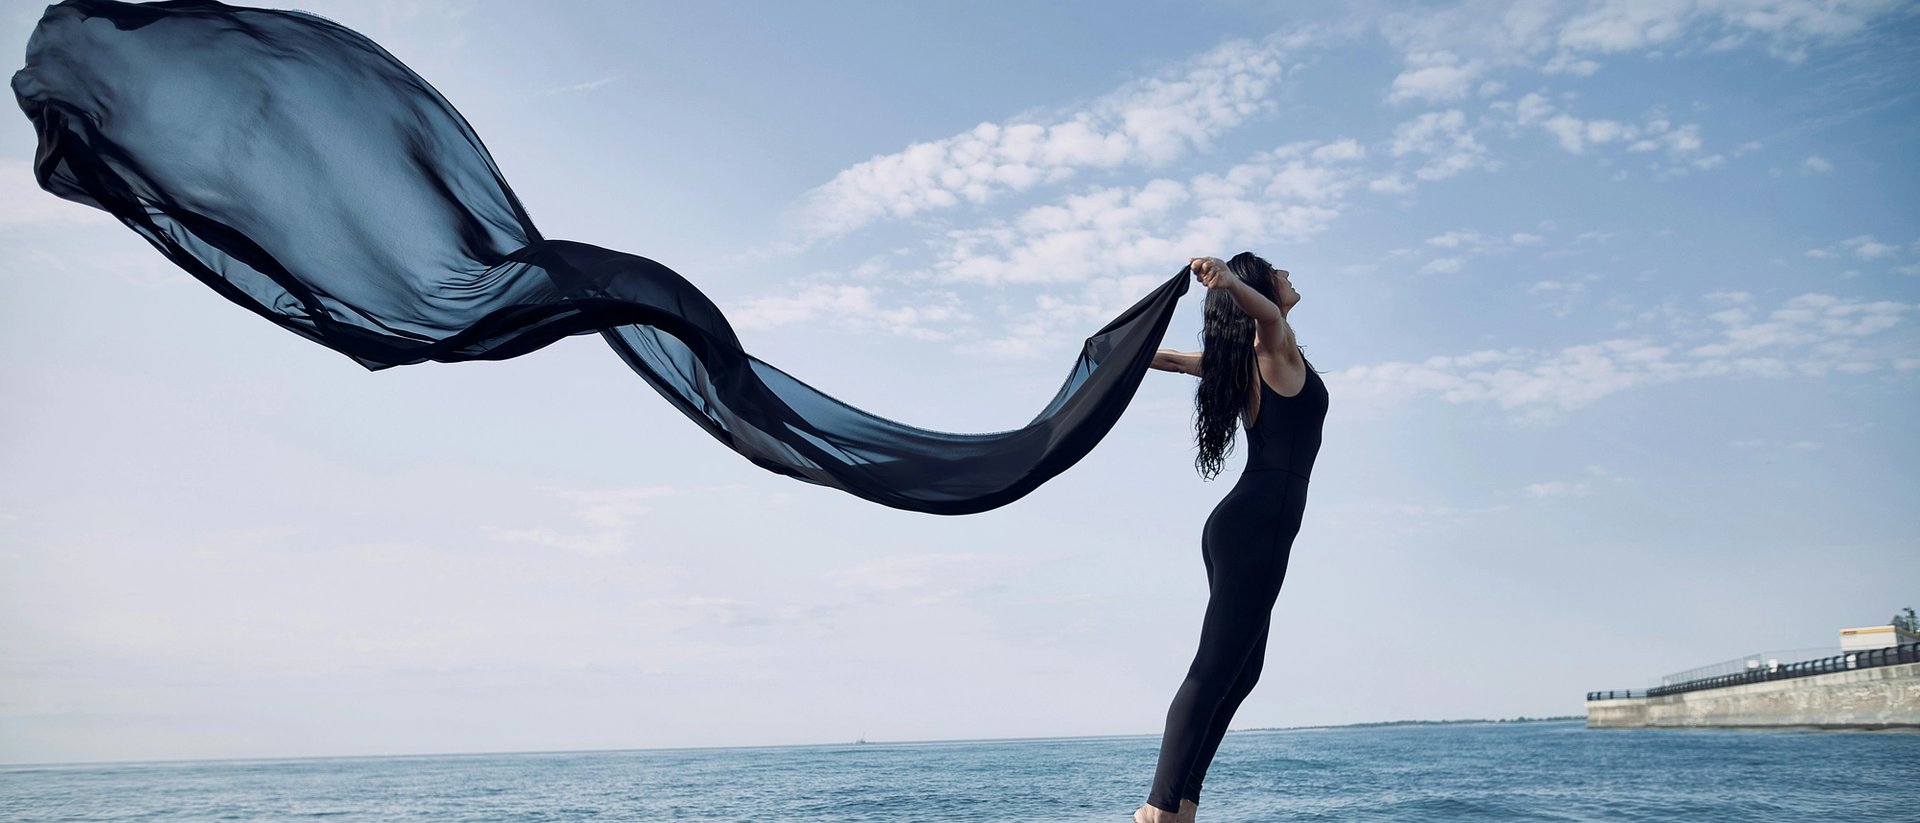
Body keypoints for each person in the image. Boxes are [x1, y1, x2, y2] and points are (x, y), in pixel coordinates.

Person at [1134, 253, 1328, 823]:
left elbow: (1171, 361)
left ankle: (1184, 799)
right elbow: (1266, 316)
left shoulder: (1247, 360)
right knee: (1215, 667)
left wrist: (1122, 353)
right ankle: (1157, 808)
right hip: (1257, 523)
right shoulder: (1275, 345)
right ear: (1259, 287)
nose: (1290, 272)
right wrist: (1228, 278)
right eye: (1278, 270)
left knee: (1242, 670)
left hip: (1249, 524)